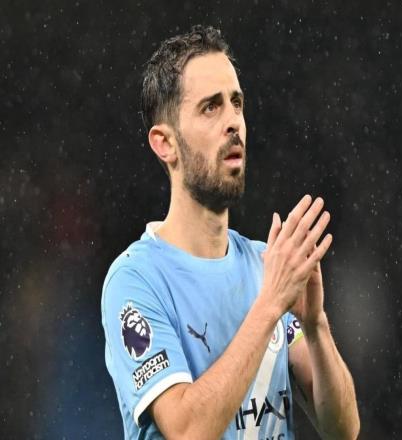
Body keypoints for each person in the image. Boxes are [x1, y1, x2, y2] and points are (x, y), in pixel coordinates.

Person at [101, 25, 360, 440]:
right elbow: (187, 431)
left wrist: (315, 326)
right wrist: (270, 304)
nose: (233, 123)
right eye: (211, 107)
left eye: (236, 103)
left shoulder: (264, 264)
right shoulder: (135, 281)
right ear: (165, 143)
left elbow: (343, 429)